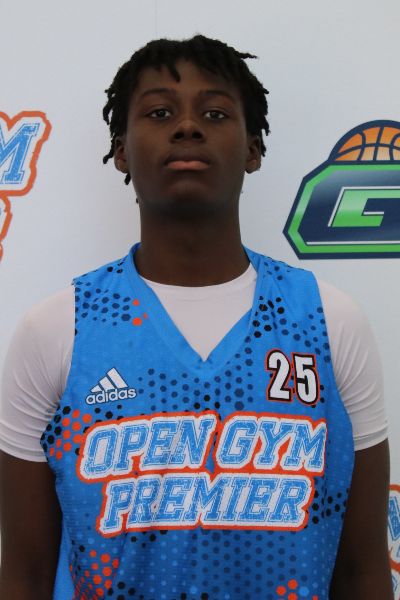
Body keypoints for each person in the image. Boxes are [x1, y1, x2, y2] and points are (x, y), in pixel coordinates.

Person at [0, 35, 393, 600]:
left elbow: (363, 571)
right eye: (160, 113)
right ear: (121, 151)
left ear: (253, 149)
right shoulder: (58, 330)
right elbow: (25, 577)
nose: (187, 127)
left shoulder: (330, 322)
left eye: (214, 113)